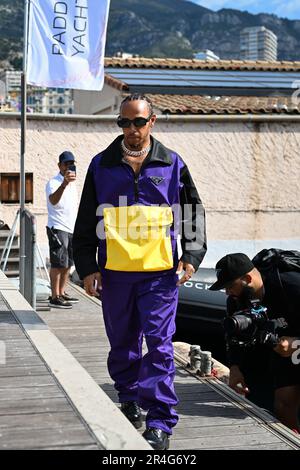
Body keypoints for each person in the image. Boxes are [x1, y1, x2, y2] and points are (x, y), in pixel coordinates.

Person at [73, 94, 207, 449]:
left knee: (160, 345)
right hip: (115, 273)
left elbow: (191, 212)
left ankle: (160, 420)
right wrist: (87, 267)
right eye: (124, 123)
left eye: (138, 122)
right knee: (123, 343)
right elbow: (87, 219)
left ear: (153, 121)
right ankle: (128, 396)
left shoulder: (172, 163)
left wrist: (191, 255)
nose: (131, 129)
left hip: (161, 275)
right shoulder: (101, 165)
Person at [210, 253, 300, 432]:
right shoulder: (236, 301)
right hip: (283, 346)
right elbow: (234, 336)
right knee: (283, 404)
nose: (227, 292)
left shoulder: (291, 285)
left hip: (295, 342)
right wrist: (235, 367)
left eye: (229, 286)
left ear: (248, 278)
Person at [46, 150, 79, 309]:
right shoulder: (54, 182)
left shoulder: (73, 184)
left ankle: (62, 291)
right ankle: (54, 296)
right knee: (58, 263)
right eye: (66, 163)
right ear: (59, 165)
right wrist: (64, 184)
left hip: (71, 227)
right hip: (57, 227)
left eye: (72, 163)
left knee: (68, 263)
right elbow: (53, 200)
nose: (69, 166)